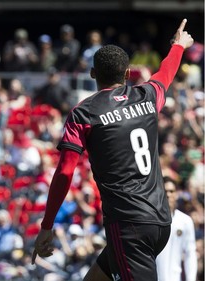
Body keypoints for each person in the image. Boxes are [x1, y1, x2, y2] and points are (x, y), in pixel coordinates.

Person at [31, 19, 194, 281]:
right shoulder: (147, 97)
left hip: (129, 227)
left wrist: (47, 226)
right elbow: (165, 74)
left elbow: (64, 172)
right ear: (128, 73)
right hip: (161, 221)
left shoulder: (84, 113)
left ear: (93, 74)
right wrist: (178, 46)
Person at [156, 177, 197, 281]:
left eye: (171, 191)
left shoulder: (185, 221)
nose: (168, 194)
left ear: (176, 194)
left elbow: (190, 254)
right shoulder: (152, 221)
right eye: (165, 191)